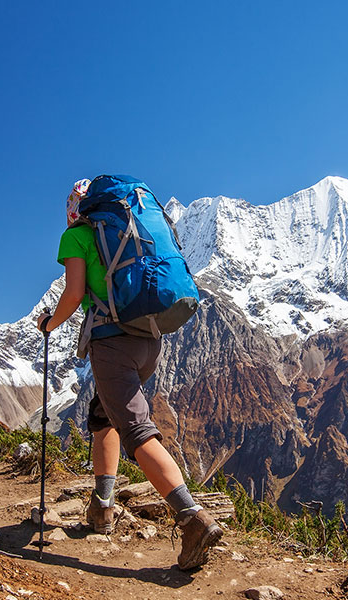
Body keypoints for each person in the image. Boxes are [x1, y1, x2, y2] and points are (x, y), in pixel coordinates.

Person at [35, 178, 222, 571]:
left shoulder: (77, 237)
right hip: (149, 341)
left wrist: (50, 323)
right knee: (105, 413)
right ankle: (102, 508)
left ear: (74, 209)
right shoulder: (132, 226)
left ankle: (192, 519)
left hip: (112, 343)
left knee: (136, 430)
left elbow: (73, 294)